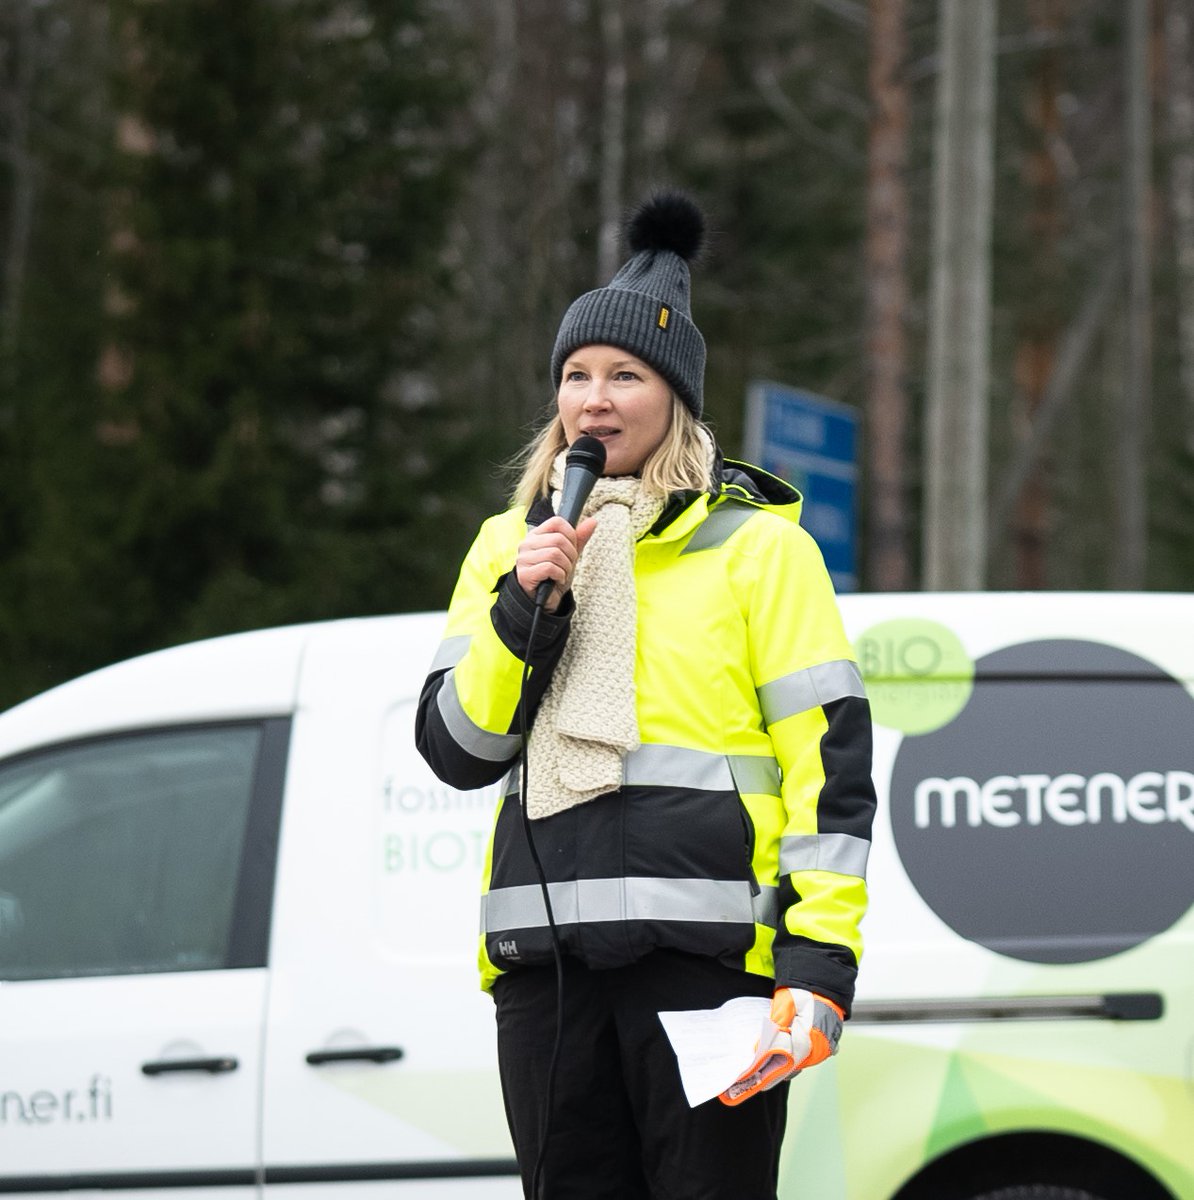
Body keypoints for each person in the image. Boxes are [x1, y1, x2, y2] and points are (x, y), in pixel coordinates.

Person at [416, 191, 875, 1200]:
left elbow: (829, 773)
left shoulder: (760, 551)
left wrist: (818, 964)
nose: (594, 398)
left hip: (712, 979)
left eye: (625, 374)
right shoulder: (509, 547)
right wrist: (521, 616)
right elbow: (457, 749)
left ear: (675, 398)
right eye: (576, 376)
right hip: (548, 979)